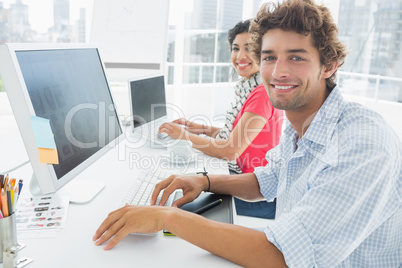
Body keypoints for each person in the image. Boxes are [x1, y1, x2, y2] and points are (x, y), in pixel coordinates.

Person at [93, 1, 402, 267]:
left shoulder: (362, 142)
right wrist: (203, 181)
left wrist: (165, 217)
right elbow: (266, 180)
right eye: (269, 57)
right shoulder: (302, 125)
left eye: (296, 57)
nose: (278, 71)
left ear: (329, 66)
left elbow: (284, 258)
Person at [160, 20, 283, 219]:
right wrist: (199, 129)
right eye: (236, 48)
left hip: (258, 197)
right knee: (183, 184)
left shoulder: (262, 94)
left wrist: (184, 136)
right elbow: (236, 136)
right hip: (244, 182)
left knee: (180, 201)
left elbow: (230, 150)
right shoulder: (252, 88)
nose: (240, 56)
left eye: (249, 48)